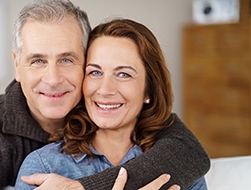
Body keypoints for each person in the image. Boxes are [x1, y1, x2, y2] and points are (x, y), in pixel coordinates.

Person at [0, 0, 210, 189]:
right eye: (37, 61)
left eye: (67, 59)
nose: (54, 79)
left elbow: (191, 153)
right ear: (17, 66)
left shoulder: (109, 104)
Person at [15, 18, 207, 190]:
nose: (105, 89)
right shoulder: (45, 166)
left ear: (149, 90)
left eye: (124, 74)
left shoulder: (175, 163)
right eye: (95, 72)